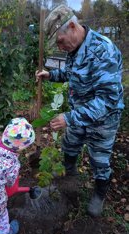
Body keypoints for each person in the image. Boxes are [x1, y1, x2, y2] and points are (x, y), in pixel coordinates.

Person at [36, 4, 124, 217]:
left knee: (99, 160)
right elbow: (71, 73)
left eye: (60, 41)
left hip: (103, 120)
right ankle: (71, 175)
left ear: (73, 26)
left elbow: (107, 100)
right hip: (78, 115)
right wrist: (52, 75)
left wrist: (69, 117)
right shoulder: (74, 49)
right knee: (70, 144)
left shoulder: (104, 51)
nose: (60, 47)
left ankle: (99, 195)